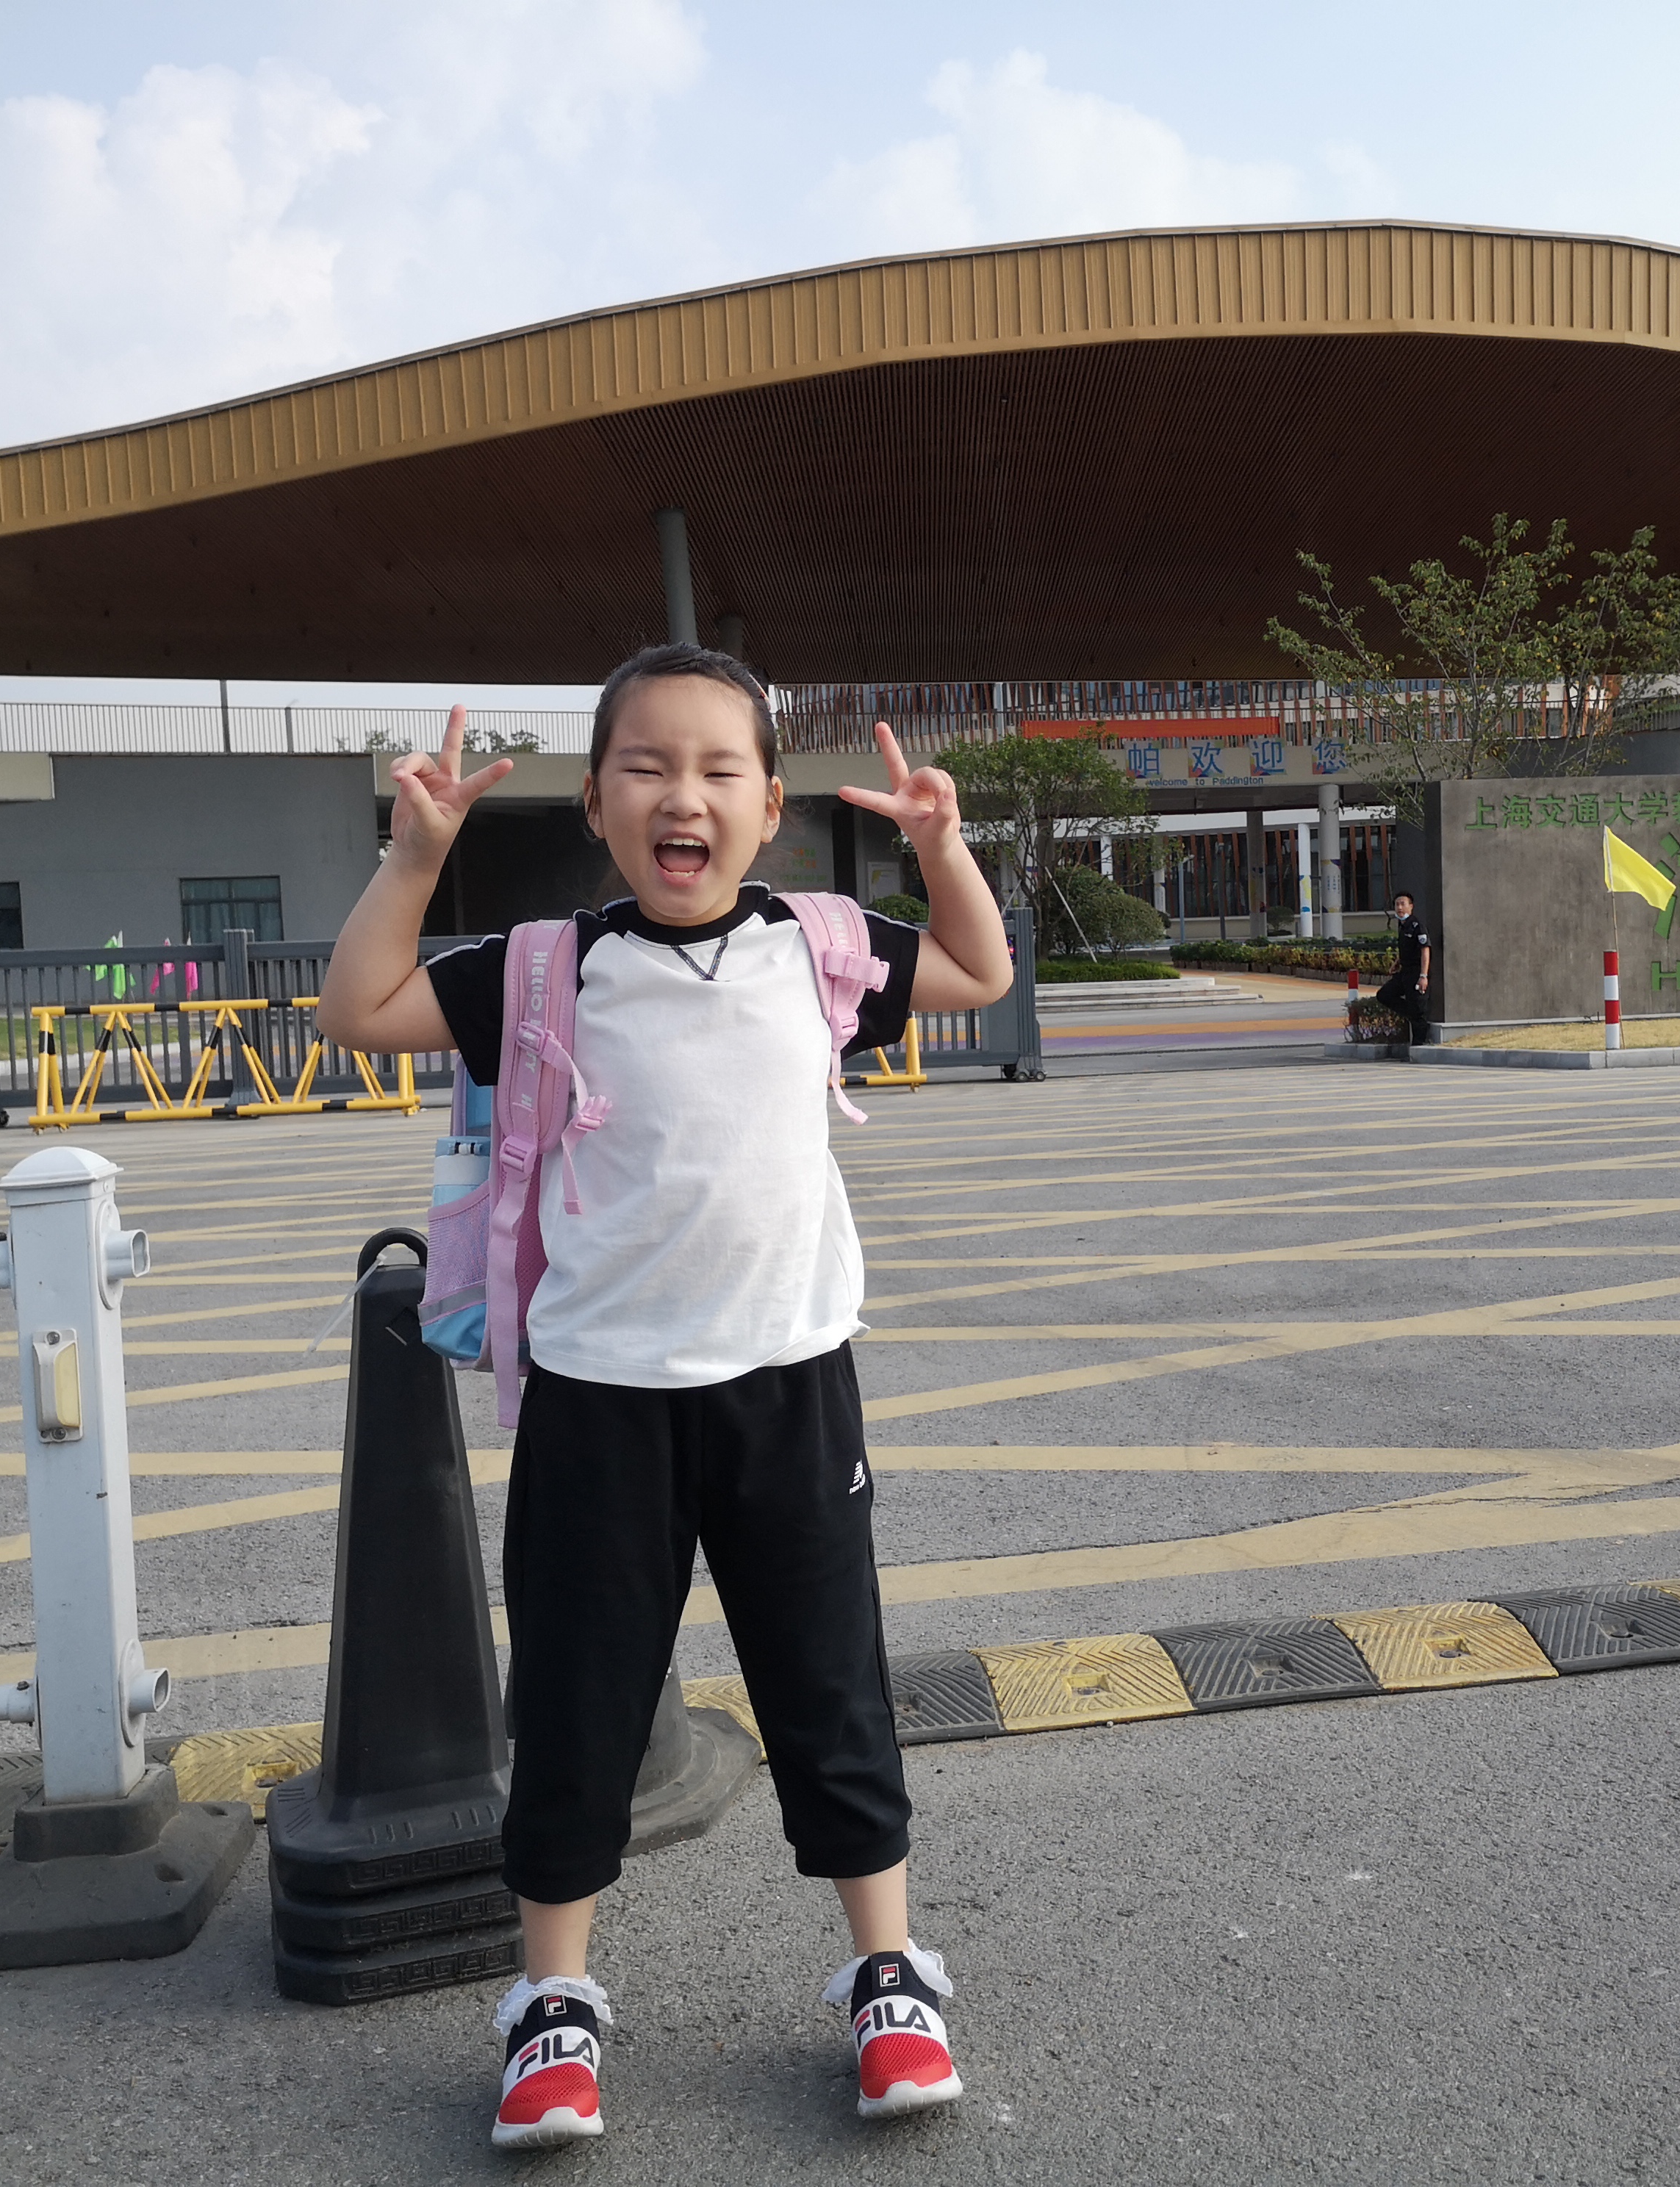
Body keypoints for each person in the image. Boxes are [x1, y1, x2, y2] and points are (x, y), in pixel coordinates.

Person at [315, 645, 1013, 2152]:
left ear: (767, 806)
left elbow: (979, 975)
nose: (679, 794)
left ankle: (888, 1974)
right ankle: (550, 2006)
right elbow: (358, 1010)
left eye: (715, 769)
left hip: (790, 1387)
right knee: (575, 1708)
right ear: (596, 803)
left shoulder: (820, 951)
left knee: (829, 1690)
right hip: (597, 1406)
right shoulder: (544, 969)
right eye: (644, 765)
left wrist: (941, 853)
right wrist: (414, 857)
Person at [1376, 889, 1432, 1043]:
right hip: (1405, 972)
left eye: (1403, 904)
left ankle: (1418, 1046)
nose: (1400, 908)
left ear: (1411, 906)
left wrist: (1423, 976)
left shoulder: (1417, 926)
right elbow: (1406, 949)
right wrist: (1397, 963)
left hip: (1417, 973)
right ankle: (1411, 1013)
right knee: (1384, 995)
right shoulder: (1403, 926)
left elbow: (1425, 950)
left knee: (1418, 1011)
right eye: (1397, 904)